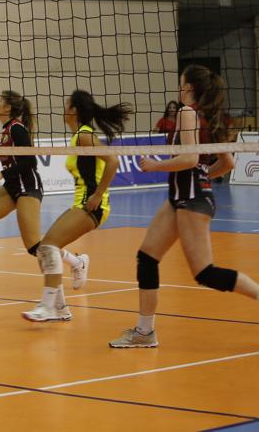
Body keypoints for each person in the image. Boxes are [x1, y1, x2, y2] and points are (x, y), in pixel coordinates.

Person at [109, 65, 259, 348]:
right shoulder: (207, 118)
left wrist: (155, 166)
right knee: (147, 257)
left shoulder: (187, 112)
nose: (179, 88)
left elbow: (190, 159)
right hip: (182, 197)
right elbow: (227, 163)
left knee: (205, 273)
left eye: (181, 83)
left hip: (191, 199)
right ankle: (144, 332)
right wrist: (202, 176)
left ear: (188, 87)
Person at [0, 91, 80, 294]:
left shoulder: (17, 129)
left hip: (28, 188)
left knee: (34, 247)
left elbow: (30, 162)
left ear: (8, 108)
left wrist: (1, 174)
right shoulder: (7, 129)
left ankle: (77, 262)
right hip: (12, 187)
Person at [22, 90, 131, 322]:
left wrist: (98, 195)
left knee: (48, 247)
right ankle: (61, 306)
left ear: (74, 110)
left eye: (67, 105)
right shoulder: (78, 136)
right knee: (43, 250)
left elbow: (113, 160)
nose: (64, 109)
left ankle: (47, 306)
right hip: (80, 202)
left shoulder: (84, 135)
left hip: (92, 205)